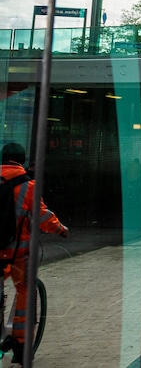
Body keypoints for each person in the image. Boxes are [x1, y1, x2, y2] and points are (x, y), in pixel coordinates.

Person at [0, 143, 68, 366]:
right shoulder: (28, 186)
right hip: (17, 253)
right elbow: (43, 216)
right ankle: (20, 346)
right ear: (22, 161)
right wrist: (60, 229)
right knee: (25, 291)